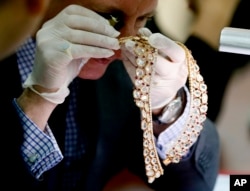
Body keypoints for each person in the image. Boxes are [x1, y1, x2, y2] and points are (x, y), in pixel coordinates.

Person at [0, 0, 220, 191]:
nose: (121, 47)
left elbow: (194, 183)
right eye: (108, 18)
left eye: (143, 18)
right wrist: (38, 100)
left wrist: (167, 108)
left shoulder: (137, 46)